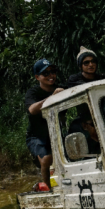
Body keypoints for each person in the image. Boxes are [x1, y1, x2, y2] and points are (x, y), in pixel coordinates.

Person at [25, 58, 62, 188]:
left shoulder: (60, 88)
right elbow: (32, 109)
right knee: (47, 159)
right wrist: (52, 97)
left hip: (57, 133)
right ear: (37, 77)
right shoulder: (33, 92)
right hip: (37, 136)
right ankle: (48, 189)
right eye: (45, 73)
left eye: (52, 72)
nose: (51, 75)